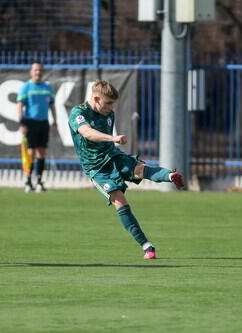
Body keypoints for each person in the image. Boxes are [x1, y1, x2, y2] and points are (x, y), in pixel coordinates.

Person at [68, 80, 185, 259]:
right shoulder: (79, 112)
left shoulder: (109, 113)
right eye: (108, 103)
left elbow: (103, 133)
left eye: (113, 103)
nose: (111, 107)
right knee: (120, 201)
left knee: (141, 169)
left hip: (113, 156)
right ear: (97, 98)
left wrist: (112, 142)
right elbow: (87, 133)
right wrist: (112, 138)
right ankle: (146, 245)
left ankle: (170, 175)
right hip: (96, 169)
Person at [16, 62, 57, 192]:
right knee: (31, 152)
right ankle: (28, 181)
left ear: (42, 72)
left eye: (40, 70)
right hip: (30, 123)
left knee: (42, 152)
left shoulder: (47, 87)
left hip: (43, 123)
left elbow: (52, 106)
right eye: (35, 70)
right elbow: (19, 106)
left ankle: (39, 181)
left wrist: (55, 122)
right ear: (31, 72)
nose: (38, 72)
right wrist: (22, 123)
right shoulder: (26, 87)